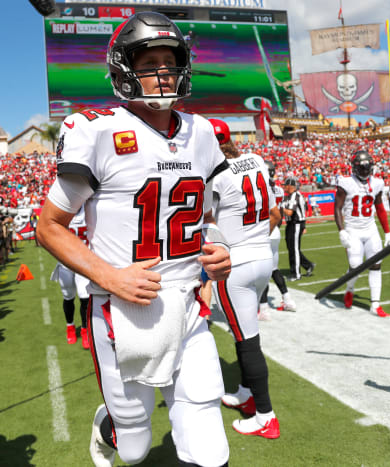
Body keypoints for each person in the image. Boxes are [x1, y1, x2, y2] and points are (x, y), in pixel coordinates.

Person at [36, 12, 231, 467]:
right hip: (120, 308)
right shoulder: (96, 130)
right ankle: (109, 428)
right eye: (150, 63)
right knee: (135, 445)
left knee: (207, 436)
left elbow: (211, 211)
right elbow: (49, 226)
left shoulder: (202, 133)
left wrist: (217, 250)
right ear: (124, 70)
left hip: (187, 305)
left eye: (170, 60)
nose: (163, 72)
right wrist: (110, 276)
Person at [206, 118, 282, 439]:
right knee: (246, 331)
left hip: (235, 264)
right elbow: (274, 212)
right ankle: (245, 392)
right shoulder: (256, 161)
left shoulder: (213, 176)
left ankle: (265, 415)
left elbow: (206, 221)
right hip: (264, 256)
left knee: (247, 341)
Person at [334, 150, 390, 317]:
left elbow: (380, 208)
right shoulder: (346, 182)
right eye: (362, 167)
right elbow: (337, 208)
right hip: (353, 229)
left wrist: (387, 232)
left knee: (376, 264)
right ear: (355, 167)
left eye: (368, 167)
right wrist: (341, 231)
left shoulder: (378, 183)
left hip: (370, 229)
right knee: (355, 265)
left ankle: (375, 304)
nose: (365, 170)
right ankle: (350, 289)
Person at [259, 160, 296, 317]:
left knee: (261, 272)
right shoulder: (279, 190)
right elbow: (279, 215)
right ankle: (287, 299)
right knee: (273, 268)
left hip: (262, 231)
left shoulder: (259, 189)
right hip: (275, 232)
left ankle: (264, 307)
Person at [51, 205, 90, 349]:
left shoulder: (89, 208)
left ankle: (85, 329)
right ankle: (70, 326)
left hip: (84, 262)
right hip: (66, 263)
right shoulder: (61, 210)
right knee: (68, 296)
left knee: (85, 296)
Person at [280, 177, 314, 281]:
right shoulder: (291, 196)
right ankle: (308, 265)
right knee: (291, 248)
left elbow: (290, 212)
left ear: (290, 186)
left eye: (285, 185)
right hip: (292, 223)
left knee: (294, 249)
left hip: (296, 223)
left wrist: (279, 208)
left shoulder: (295, 196)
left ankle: (296, 274)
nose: (284, 187)